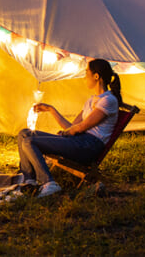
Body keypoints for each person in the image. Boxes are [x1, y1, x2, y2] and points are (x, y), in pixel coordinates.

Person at [16, 58, 122, 198]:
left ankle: (49, 183)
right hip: (78, 140)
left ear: (96, 76)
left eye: (86, 73)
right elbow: (72, 127)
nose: (84, 77)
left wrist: (66, 134)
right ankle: (29, 181)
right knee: (24, 134)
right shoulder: (91, 100)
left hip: (89, 146)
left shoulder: (108, 101)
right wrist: (51, 110)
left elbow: (80, 128)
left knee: (29, 141)